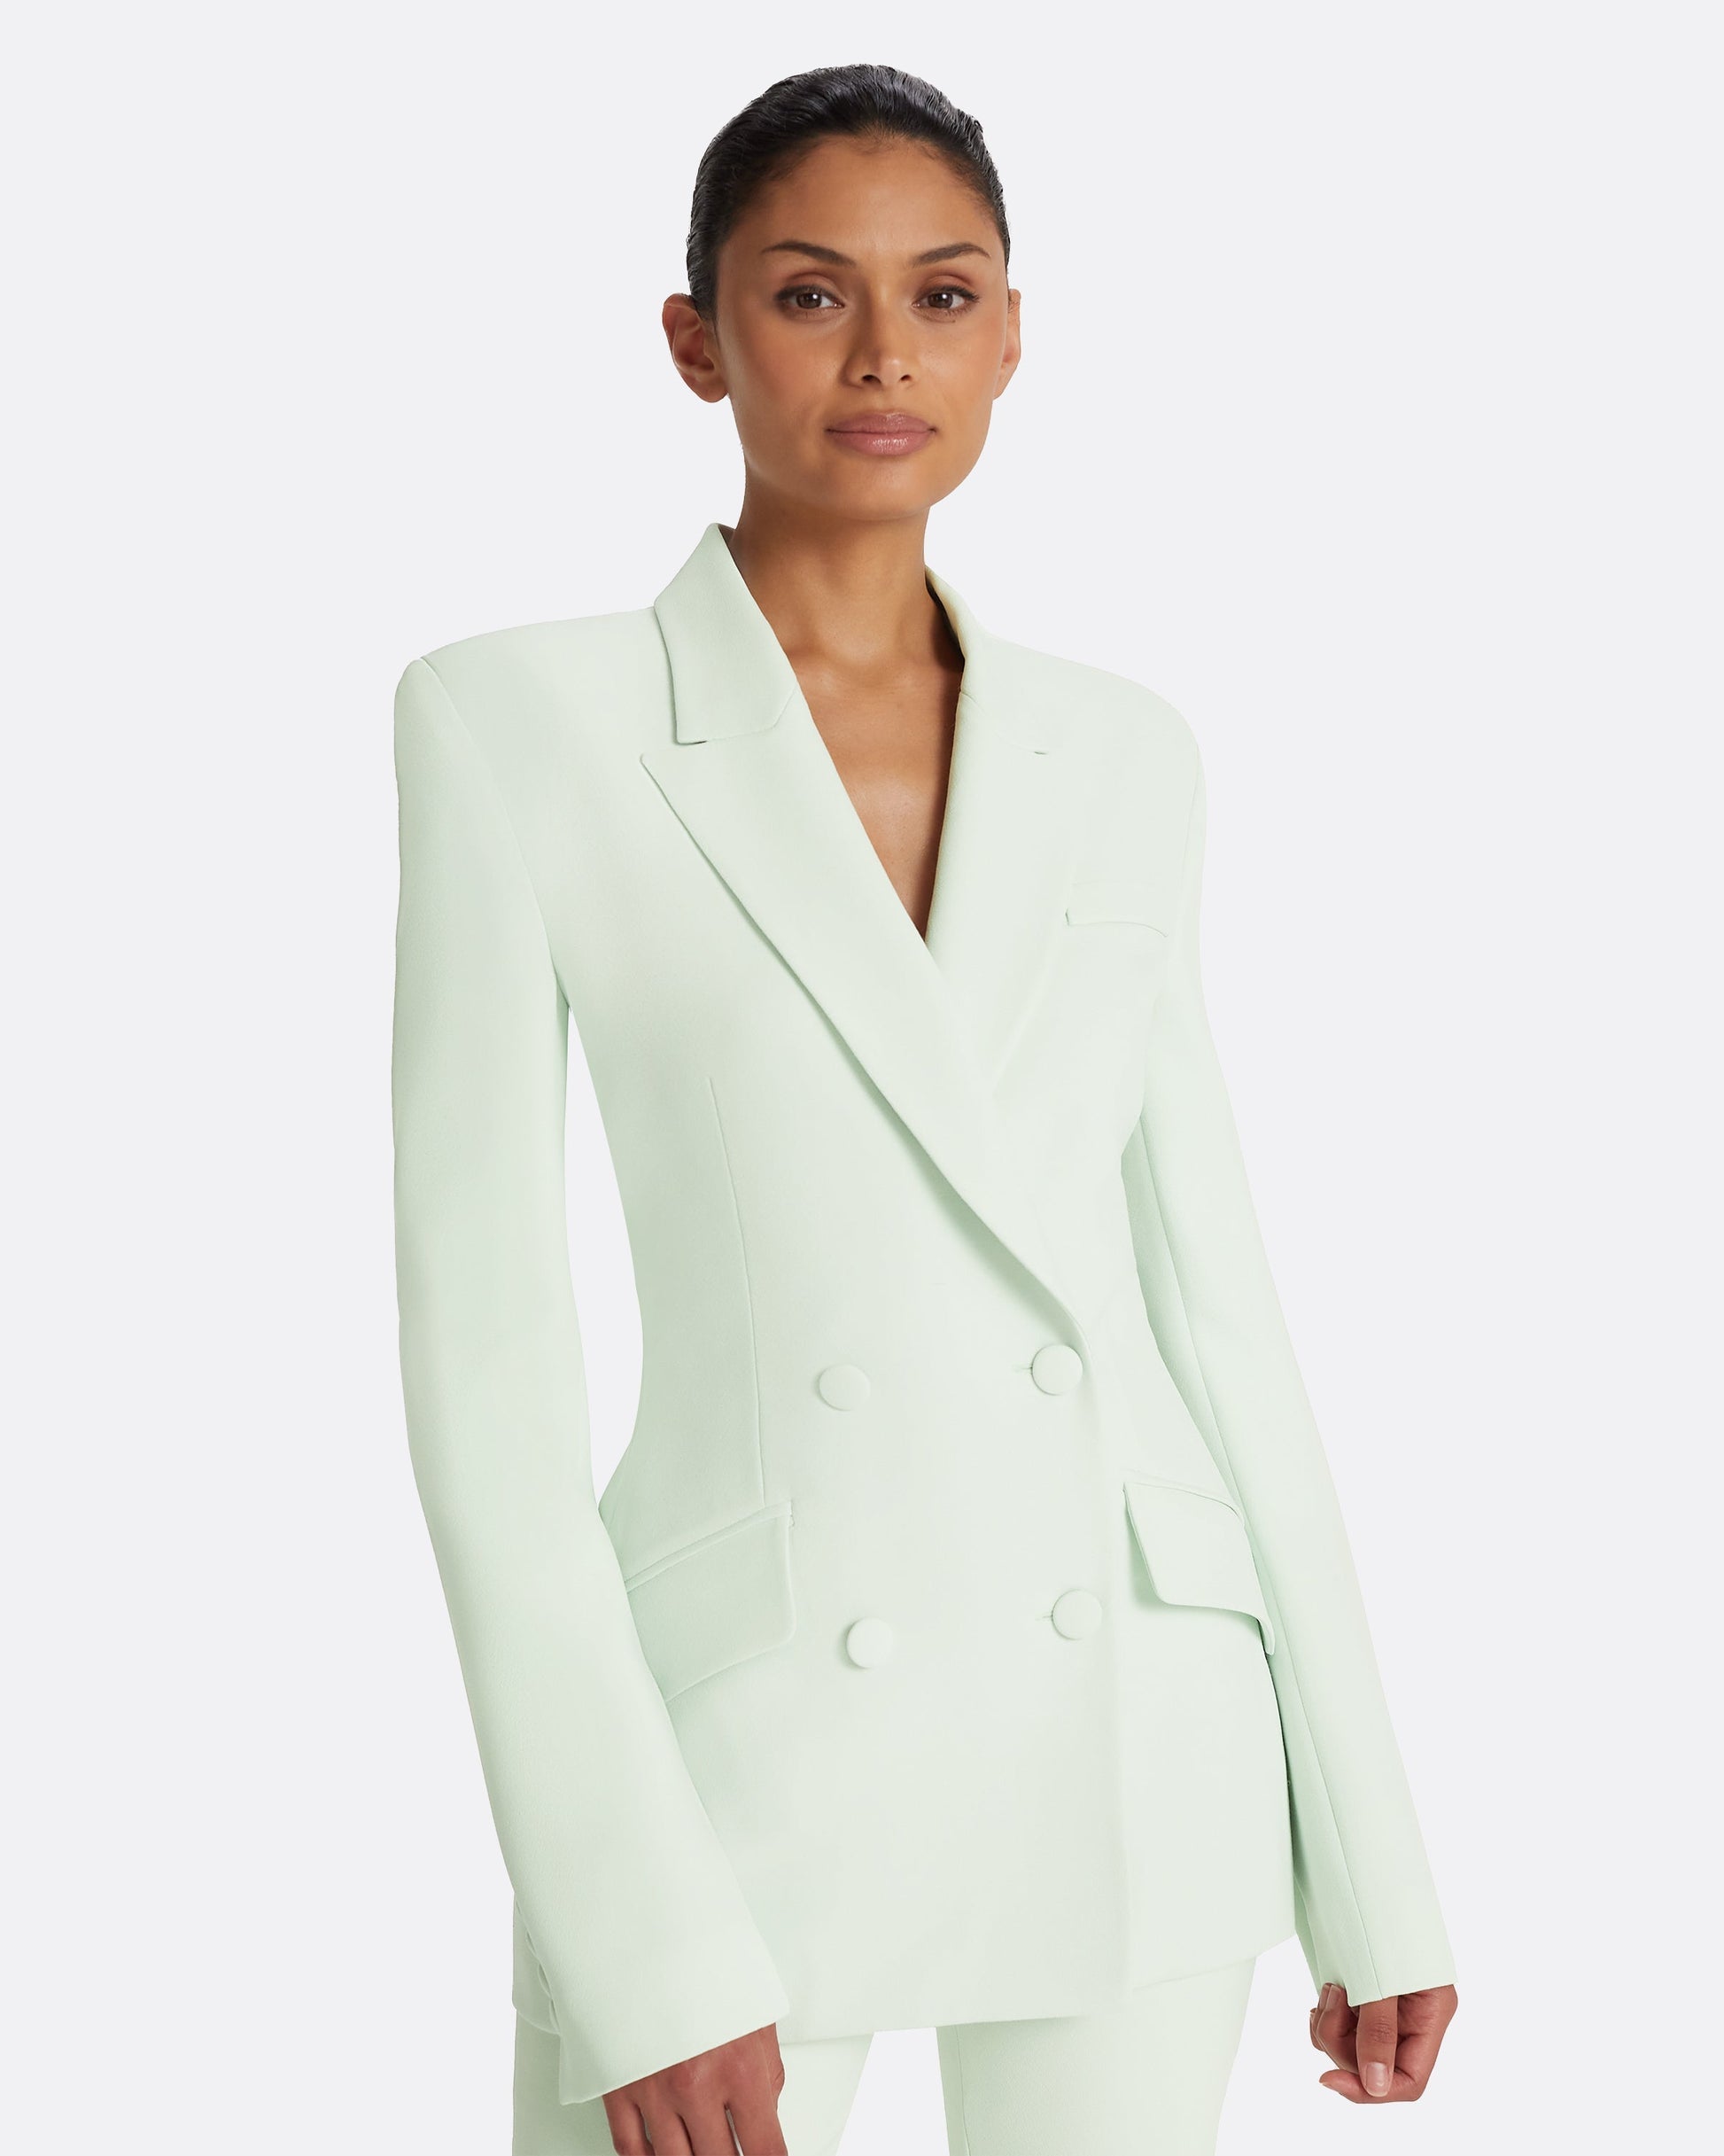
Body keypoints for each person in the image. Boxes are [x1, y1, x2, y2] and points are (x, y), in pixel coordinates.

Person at [390, 61, 1459, 2156]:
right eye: (810, 294)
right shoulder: (519, 722)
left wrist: (1374, 1851)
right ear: (697, 337)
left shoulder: (1123, 752)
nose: (885, 352)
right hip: (742, 1760)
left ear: (1012, 335)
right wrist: (636, 1934)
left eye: (943, 294)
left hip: (1138, 1735)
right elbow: (485, 1378)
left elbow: (1215, 1311)